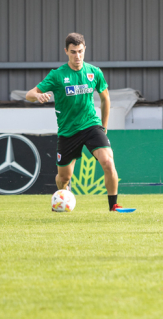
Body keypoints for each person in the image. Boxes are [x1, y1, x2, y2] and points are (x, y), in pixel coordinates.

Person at [26, 33, 125, 212]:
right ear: (66, 51)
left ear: (85, 49)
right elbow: (29, 94)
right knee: (64, 177)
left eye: (80, 51)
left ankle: (114, 206)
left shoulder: (94, 72)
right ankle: (61, 198)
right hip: (68, 131)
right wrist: (38, 95)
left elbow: (105, 98)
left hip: (91, 125)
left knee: (108, 163)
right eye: (73, 52)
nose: (77, 56)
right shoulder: (57, 75)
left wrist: (104, 126)